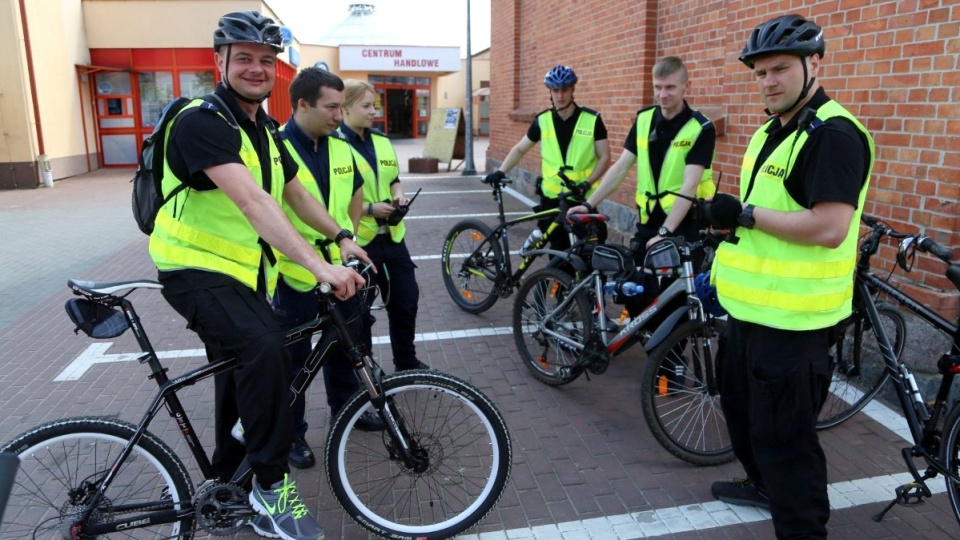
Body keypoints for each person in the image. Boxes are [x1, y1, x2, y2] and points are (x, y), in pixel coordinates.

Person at [148, 11, 365, 540]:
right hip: (192, 269)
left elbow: (294, 194)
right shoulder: (201, 120)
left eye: (266, 60)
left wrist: (341, 236)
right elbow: (251, 202)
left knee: (238, 373)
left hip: (238, 275)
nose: (256, 68)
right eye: (243, 57)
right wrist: (318, 268)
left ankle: (229, 485)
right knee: (265, 346)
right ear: (218, 61)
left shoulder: (263, 128)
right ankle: (271, 489)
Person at [702, 14, 874, 539]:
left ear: (814, 63)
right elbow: (768, 210)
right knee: (744, 420)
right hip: (750, 313)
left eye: (780, 69)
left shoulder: (834, 135)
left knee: (788, 446)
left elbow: (829, 227)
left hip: (794, 325)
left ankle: (801, 529)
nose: (769, 81)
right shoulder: (773, 130)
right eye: (760, 73)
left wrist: (745, 215)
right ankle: (761, 486)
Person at [271, 68, 385, 479]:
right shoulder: (276, 148)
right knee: (294, 360)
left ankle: (346, 412)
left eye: (342, 106)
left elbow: (355, 197)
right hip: (294, 272)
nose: (340, 115)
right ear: (302, 105)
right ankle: (294, 434)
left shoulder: (340, 149)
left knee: (346, 345)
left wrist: (347, 237)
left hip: (340, 266)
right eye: (331, 107)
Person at [568, 56, 715, 318]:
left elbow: (690, 184)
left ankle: (668, 356)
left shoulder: (700, 127)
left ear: (685, 87)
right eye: (657, 87)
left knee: (677, 298)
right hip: (648, 222)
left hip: (683, 224)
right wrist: (590, 203)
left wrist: (666, 231)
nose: (663, 94)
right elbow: (621, 167)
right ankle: (649, 341)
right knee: (638, 293)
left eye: (670, 87)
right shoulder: (645, 120)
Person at [338, 79, 430, 373]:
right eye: (366, 106)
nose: (372, 112)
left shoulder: (381, 140)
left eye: (374, 106)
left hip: (392, 236)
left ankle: (406, 363)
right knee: (360, 314)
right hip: (360, 242)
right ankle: (367, 372)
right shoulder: (335, 146)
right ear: (345, 107)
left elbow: (393, 179)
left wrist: (399, 194)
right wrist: (368, 209)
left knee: (406, 301)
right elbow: (334, 200)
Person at [485, 65, 610, 251]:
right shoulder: (543, 121)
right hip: (552, 198)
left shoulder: (591, 119)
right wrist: (501, 171)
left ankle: (539, 236)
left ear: (572, 90)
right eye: (555, 90)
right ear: (550, 92)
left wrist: (587, 183)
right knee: (559, 251)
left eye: (565, 89)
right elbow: (520, 149)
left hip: (582, 196)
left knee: (594, 243)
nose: (560, 95)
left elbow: (605, 157)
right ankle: (552, 274)